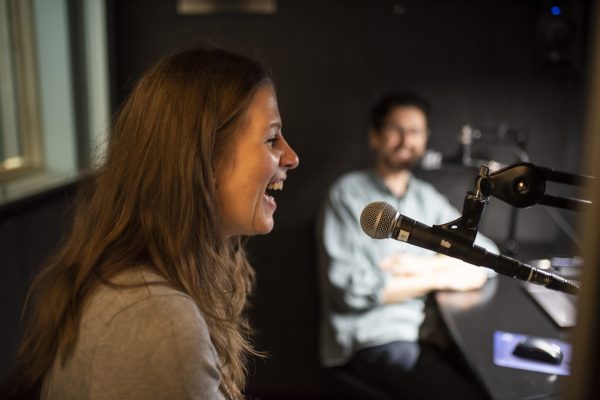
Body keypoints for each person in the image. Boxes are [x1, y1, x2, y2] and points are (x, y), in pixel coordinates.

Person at [1, 47, 299, 400]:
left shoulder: (151, 290)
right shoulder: (156, 319)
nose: (292, 157)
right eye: (271, 138)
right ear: (203, 158)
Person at [317, 93, 498, 399]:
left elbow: (487, 255)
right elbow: (350, 292)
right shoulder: (347, 195)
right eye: (396, 129)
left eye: (415, 131)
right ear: (375, 136)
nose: (406, 140)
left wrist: (416, 267)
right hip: (375, 337)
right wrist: (440, 276)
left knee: (491, 382)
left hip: (427, 332)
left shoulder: (425, 198)